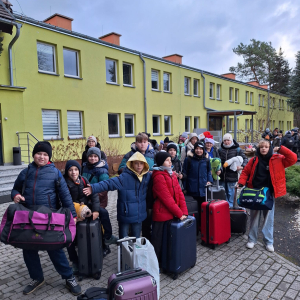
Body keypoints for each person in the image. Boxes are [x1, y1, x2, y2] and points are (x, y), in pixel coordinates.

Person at [11, 142, 81, 296]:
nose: (41, 157)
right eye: (38, 153)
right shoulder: (25, 172)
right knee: (28, 249)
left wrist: (73, 216)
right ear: (34, 155)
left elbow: (65, 196)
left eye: (45, 154)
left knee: (55, 248)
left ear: (49, 157)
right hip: (28, 217)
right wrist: (15, 195)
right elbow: (15, 189)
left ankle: (68, 277)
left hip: (50, 218)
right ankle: (37, 277)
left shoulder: (55, 173)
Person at [238, 140, 297, 252]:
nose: (264, 149)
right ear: (259, 148)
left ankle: (269, 242)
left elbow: (293, 158)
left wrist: (280, 149)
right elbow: (245, 171)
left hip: (269, 193)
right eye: (261, 147)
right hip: (254, 192)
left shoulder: (278, 159)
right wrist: (241, 182)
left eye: (266, 147)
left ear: (270, 148)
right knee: (254, 218)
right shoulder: (254, 159)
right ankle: (252, 239)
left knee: (268, 219)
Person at [64, 160, 118, 273]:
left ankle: (107, 238)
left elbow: (93, 194)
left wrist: (96, 210)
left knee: (104, 213)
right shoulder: (65, 183)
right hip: (72, 211)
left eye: (76, 170)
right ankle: (74, 261)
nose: (73, 172)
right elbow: (65, 202)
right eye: (70, 170)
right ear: (67, 171)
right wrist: (77, 213)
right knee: (70, 237)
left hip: (86, 206)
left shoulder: (83, 179)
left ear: (79, 171)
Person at [83, 152, 151, 239]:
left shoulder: (147, 176)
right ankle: (123, 253)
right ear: (131, 164)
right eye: (136, 163)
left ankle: (135, 253)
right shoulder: (124, 177)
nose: (139, 166)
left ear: (145, 164)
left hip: (139, 215)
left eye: (141, 163)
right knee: (123, 240)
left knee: (136, 240)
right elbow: (108, 183)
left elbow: (157, 175)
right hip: (125, 214)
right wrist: (93, 188)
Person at [151, 152, 188, 263]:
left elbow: (180, 194)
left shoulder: (172, 175)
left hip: (172, 214)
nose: (170, 161)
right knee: (158, 242)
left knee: (168, 241)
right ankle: (155, 264)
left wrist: (184, 212)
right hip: (161, 214)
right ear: (161, 162)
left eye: (170, 159)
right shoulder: (158, 176)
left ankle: (167, 263)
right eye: (167, 160)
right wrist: (179, 213)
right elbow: (167, 199)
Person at [218, 133, 248, 208]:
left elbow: (245, 159)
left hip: (232, 176)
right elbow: (218, 161)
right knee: (223, 193)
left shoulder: (237, 149)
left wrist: (242, 166)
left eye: (228, 140)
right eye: (225, 140)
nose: (226, 142)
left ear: (231, 140)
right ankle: (223, 208)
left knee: (231, 193)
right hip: (222, 176)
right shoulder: (220, 149)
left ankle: (230, 209)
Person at [182, 141, 213, 209]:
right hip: (192, 188)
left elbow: (208, 172)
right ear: (194, 149)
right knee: (193, 208)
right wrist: (184, 187)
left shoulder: (206, 160)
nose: (198, 150)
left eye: (200, 149)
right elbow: (184, 173)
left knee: (203, 208)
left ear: (203, 150)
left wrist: (209, 181)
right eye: (197, 148)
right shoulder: (188, 159)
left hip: (203, 189)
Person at [81, 135, 108, 208]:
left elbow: (104, 188)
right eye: (90, 156)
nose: (92, 158)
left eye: (95, 156)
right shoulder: (85, 168)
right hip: (86, 200)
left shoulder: (102, 171)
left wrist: (92, 197)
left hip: (98, 201)